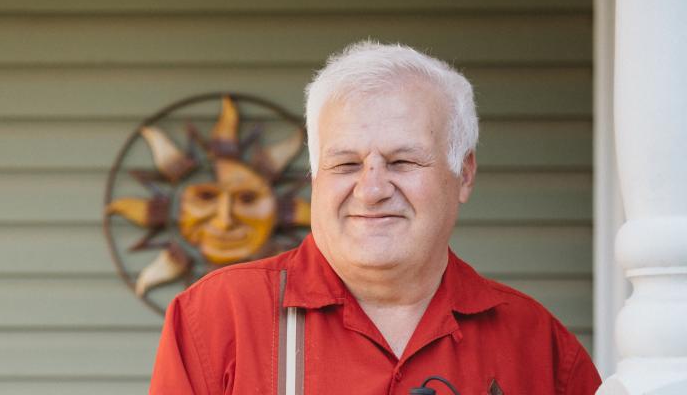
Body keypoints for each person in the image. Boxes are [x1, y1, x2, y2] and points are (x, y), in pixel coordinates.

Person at [148, 41, 601, 394]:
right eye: (346, 164)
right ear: (314, 177)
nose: (371, 189)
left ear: (463, 174)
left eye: (402, 162)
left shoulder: (536, 343)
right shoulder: (215, 319)